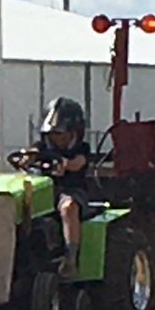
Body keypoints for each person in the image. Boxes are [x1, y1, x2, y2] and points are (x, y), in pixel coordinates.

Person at [32, 96, 91, 278]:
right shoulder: (41, 147)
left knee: (68, 208)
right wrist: (29, 157)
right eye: (54, 134)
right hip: (43, 191)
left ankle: (70, 258)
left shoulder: (82, 149)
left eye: (62, 134)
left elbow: (78, 163)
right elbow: (31, 154)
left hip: (71, 192)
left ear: (75, 133)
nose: (58, 139)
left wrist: (65, 163)